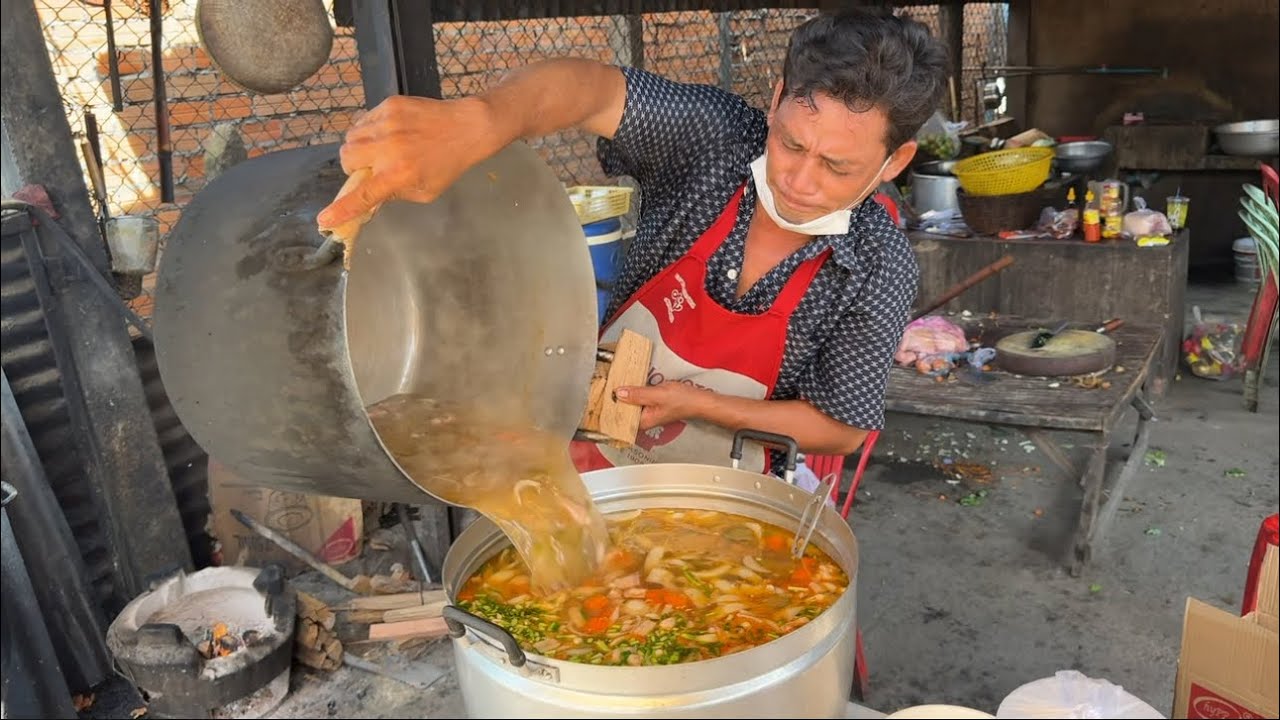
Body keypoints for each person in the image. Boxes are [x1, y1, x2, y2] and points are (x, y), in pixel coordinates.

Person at [317, 8, 949, 477]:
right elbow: (589, 89)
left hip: (731, 487)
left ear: (895, 161)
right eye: (791, 143)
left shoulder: (877, 263)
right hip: (583, 447)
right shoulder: (715, 141)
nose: (799, 181)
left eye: (838, 167)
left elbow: (839, 429)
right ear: (778, 99)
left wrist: (701, 405)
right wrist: (481, 120)